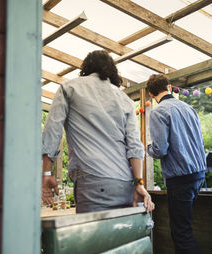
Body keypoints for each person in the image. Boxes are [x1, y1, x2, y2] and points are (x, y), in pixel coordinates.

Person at [41, 50, 154, 214]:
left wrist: (46, 172)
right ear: (112, 72)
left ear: (86, 68)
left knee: (94, 239)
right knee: (123, 238)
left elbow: (52, 130)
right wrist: (139, 183)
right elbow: (135, 146)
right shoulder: (125, 100)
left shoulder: (69, 88)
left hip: (92, 181)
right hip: (125, 184)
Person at [146, 74, 207, 254]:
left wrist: (145, 148)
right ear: (170, 87)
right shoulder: (189, 108)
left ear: (150, 94)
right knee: (181, 232)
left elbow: (160, 149)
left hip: (180, 178)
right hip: (199, 174)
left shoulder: (158, 112)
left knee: (181, 234)